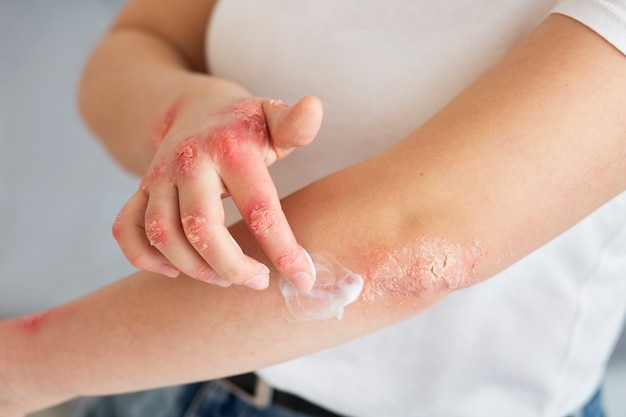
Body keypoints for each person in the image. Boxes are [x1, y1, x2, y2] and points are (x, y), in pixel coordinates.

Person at [1, 1, 625, 416]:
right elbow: (142, 40)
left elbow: (421, 234)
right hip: (148, 373)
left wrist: (21, 365)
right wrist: (186, 109)